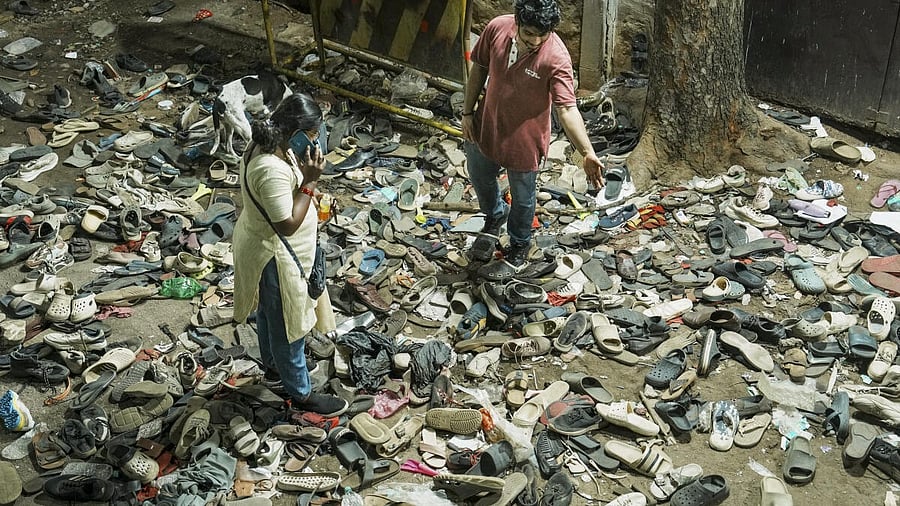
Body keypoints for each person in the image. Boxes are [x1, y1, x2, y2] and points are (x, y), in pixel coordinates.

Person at [461, 0, 604, 266]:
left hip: (525, 139)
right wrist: (467, 112)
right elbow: (479, 68)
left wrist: (587, 151)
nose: (536, 40)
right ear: (517, 22)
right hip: (487, 123)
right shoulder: (496, 29)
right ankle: (494, 216)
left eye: (543, 34)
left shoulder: (556, 57)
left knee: (524, 200)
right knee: (480, 177)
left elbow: (567, 109)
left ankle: (519, 243)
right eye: (529, 33)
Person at [232, 93, 348, 417]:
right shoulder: (269, 166)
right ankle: (301, 393)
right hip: (274, 255)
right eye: (312, 136)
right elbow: (286, 223)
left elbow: (288, 197)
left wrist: (310, 191)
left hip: (268, 248)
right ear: (296, 133)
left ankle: (274, 370)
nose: (315, 143)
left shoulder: (276, 147)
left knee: (271, 314)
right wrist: (311, 183)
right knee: (289, 326)